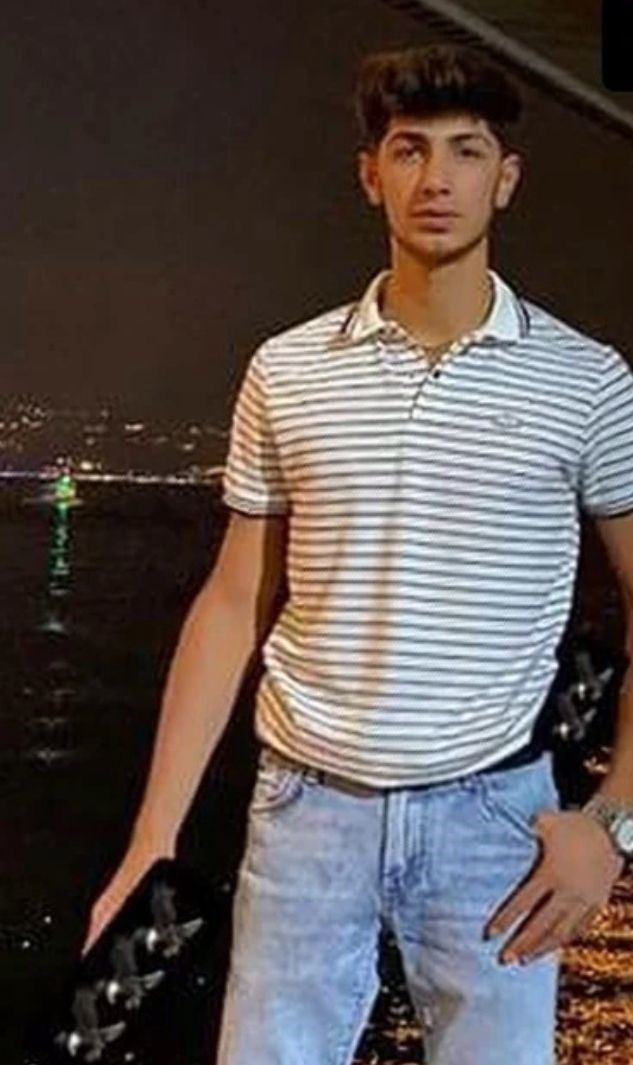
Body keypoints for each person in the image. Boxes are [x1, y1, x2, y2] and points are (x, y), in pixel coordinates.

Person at [82, 43, 633, 1065]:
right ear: (370, 174)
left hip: (494, 816)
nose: (437, 179)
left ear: (506, 179)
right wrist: (153, 837)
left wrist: (611, 822)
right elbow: (235, 601)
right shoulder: (287, 369)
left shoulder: (586, 381)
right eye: (410, 150)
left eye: (467, 151)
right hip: (306, 808)